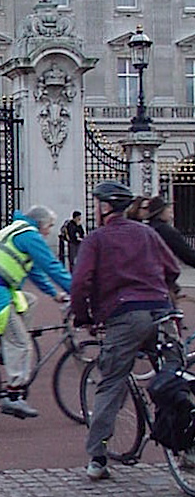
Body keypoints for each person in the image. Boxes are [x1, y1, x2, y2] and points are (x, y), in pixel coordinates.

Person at [70, 182, 180, 481]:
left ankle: (98, 456)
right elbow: (172, 269)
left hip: (126, 315)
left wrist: (83, 316)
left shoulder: (97, 239)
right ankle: (185, 444)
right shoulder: (148, 233)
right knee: (174, 379)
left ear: (105, 207)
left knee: (112, 382)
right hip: (162, 312)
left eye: (96, 204)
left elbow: (80, 283)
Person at [0, 205, 72, 419]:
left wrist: (54, 294)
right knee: (21, 342)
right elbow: (52, 266)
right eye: (49, 226)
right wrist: (78, 290)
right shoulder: (29, 236)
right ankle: (13, 396)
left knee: (29, 301)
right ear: (40, 224)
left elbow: (35, 271)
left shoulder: (16, 230)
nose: (50, 231)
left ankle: (12, 342)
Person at [146, 196, 195, 271]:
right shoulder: (166, 231)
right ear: (161, 212)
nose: (171, 213)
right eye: (168, 210)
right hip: (161, 272)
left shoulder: (147, 228)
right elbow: (186, 254)